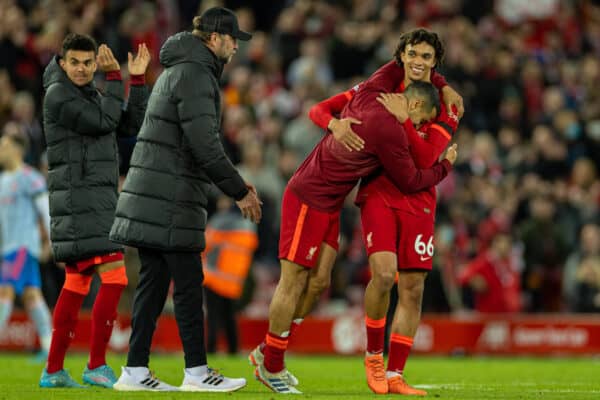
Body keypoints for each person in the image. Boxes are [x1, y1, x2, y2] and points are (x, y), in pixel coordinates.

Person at [251, 28, 462, 395]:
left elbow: (409, 73)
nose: (418, 63)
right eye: (413, 55)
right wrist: (445, 167)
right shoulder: (388, 127)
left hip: (332, 200)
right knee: (294, 280)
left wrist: (442, 84)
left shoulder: (379, 83)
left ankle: (270, 348)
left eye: (426, 59)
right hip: (308, 195)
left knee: (318, 283)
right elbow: (416, 174)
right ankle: (272, 365)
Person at [108, 7, 262, 392]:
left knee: (154, 283)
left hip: (154, 193)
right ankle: (196, 372)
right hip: (171, 196)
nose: (235, 46)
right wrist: (239, 190)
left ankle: (134, 370)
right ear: (213, 37)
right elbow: (205, 146)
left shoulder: (180, 68)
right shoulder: (196, 74)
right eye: (231, 39)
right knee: (190, 283)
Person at [39, 33, 151, 388]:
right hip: (81, 198)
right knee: (116, 276)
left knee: (77, 282)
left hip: (90, 198)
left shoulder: (89, 95)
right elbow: (104, 123)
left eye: (89, 63)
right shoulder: (58, 95)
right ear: (62, 63)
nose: (84, 69)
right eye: (76, 62)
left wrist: (135, 79)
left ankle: (54, 370)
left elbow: (129, 125)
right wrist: (114, 78)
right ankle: (96, 365)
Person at [0, 130, 53, 361]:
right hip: (8, 247)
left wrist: (52, 242)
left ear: (17, 149)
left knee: (5, 291)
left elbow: (45, 211)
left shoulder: (30, 178)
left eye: (4, 145)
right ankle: (50, 345)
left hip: (22, 247)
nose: (1, 150)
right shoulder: (2, 181)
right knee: (32, 296)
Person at [203, 193, 259, 354]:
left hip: (214, 276)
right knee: (230, 317)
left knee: (213, 317)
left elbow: (205, 244)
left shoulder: (220, 221)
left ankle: (211, 350)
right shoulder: (248, 223)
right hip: (235, 280)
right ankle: (233, 349)